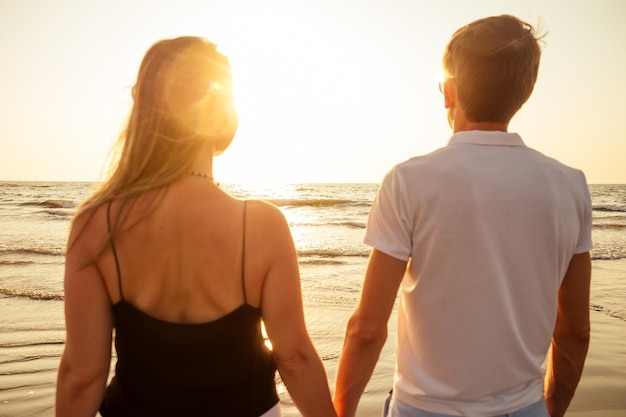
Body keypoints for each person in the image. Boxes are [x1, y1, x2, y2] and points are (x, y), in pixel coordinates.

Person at [55, 36, 337, 417]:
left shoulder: (97, 226)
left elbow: (82, 376)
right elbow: (296, 359)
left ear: (144, 111)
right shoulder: (263, 226)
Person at [333, 15, 592, 417]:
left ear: (449, 92)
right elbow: (574, 330)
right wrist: (549, 409)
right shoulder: (570, 186)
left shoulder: (408, 181)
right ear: (523, 94)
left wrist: (341, 411)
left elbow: (366, 330)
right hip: (524, 408)